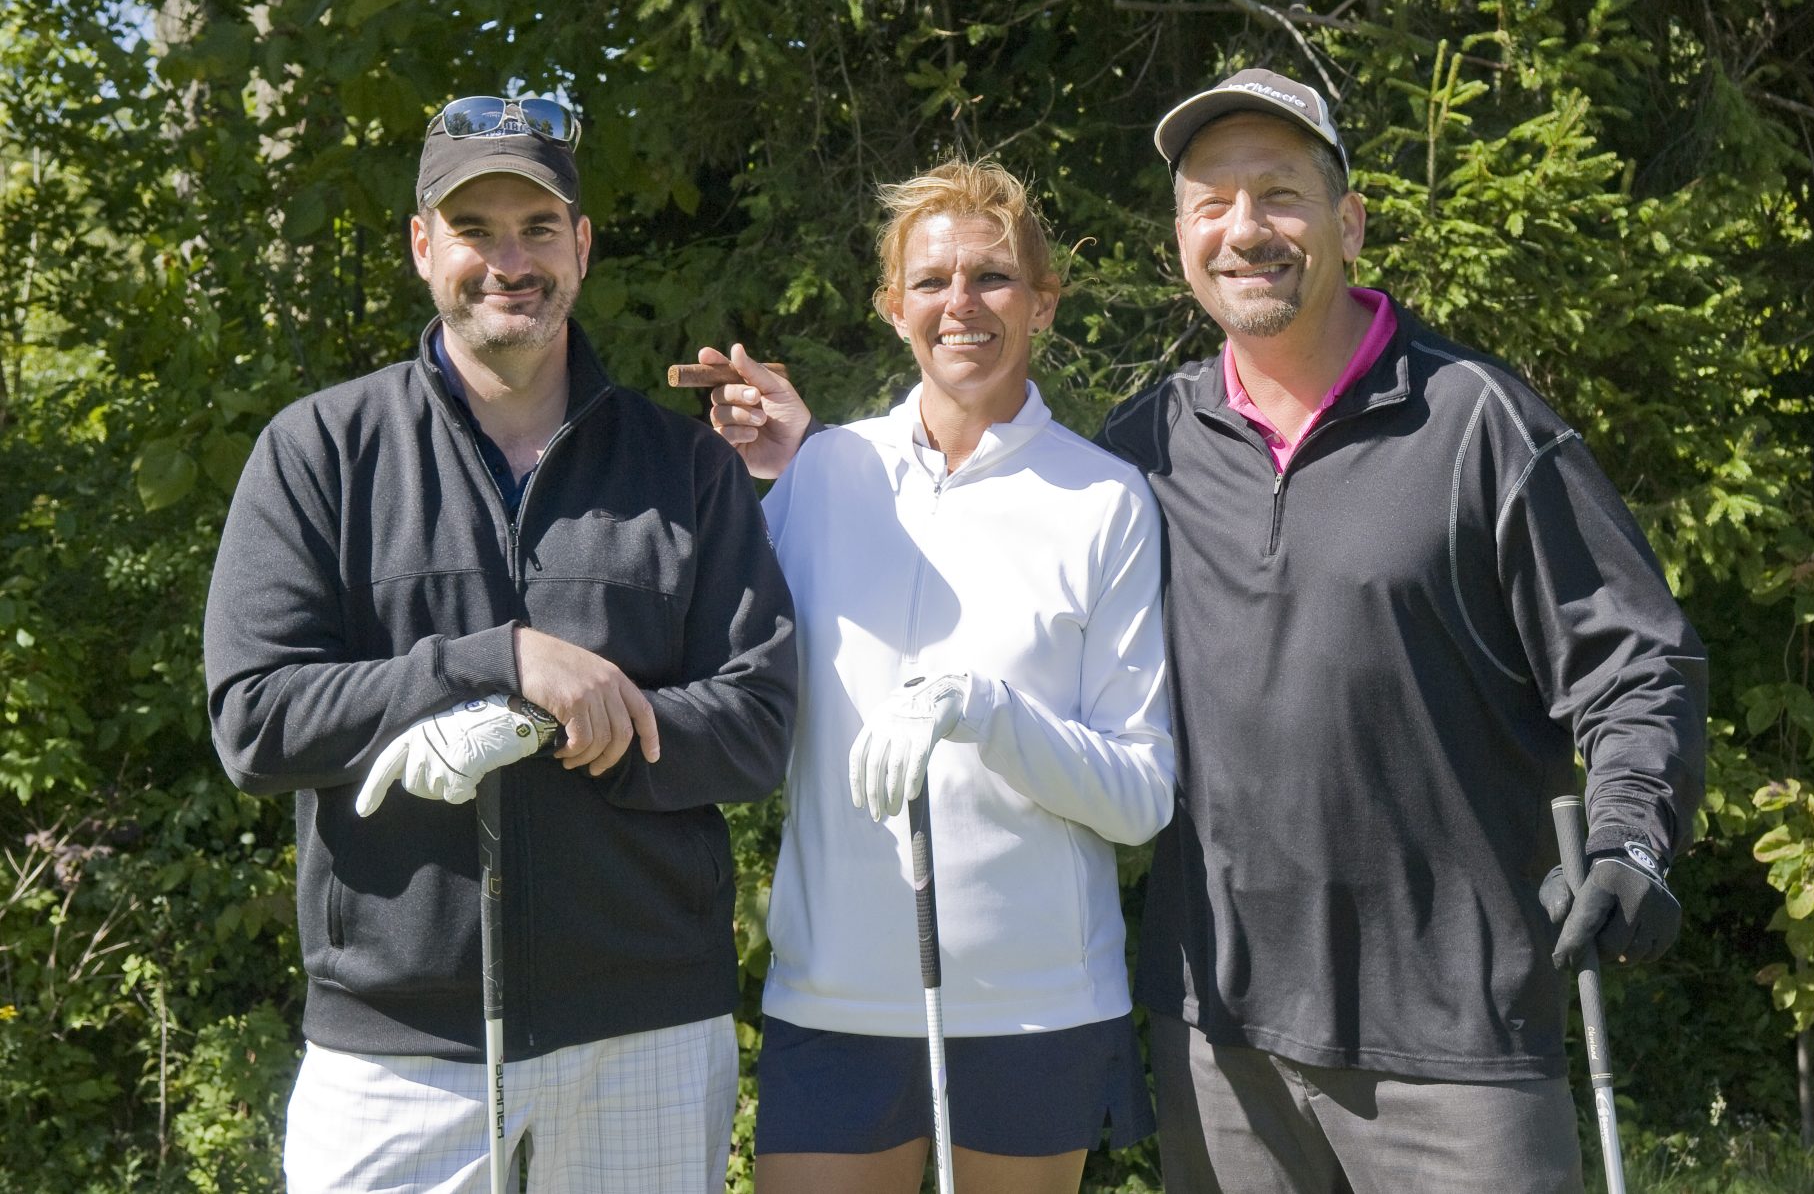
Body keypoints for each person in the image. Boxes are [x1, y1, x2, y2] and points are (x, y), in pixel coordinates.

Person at [705, 70, 1707, 1193]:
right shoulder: (1155, 444)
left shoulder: (1475, 421)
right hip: (1221, 1037)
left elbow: (1635, 658)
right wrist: (821, 467)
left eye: (1278, 194)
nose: (1244, 228)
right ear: (1182, 238)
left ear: (1348, 222)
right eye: (1210, 203)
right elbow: (975, 508)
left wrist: (1629, 839)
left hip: (1455, 1033)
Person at [205, 95, 798, 1194]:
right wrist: (494, 663)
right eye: (474, 229)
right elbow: (256, 718)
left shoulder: (685, 469)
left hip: (647, 1034)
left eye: (537, 228)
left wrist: (585, 723)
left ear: (582, 245)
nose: (508, 261)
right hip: (395, 1050)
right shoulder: (320, 451)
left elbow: (758, 723)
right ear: (422, 246)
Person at [744, 159, 1175, 1194]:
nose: (961, 304)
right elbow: (733, 690)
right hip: (833, 1000)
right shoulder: (820, 474)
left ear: (1043, 301)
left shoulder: (1104, 500)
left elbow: (1140, 797)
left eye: (992, 277)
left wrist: (985, 709)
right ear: (892, 307)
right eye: (931, 281)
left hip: (1034, 1009)